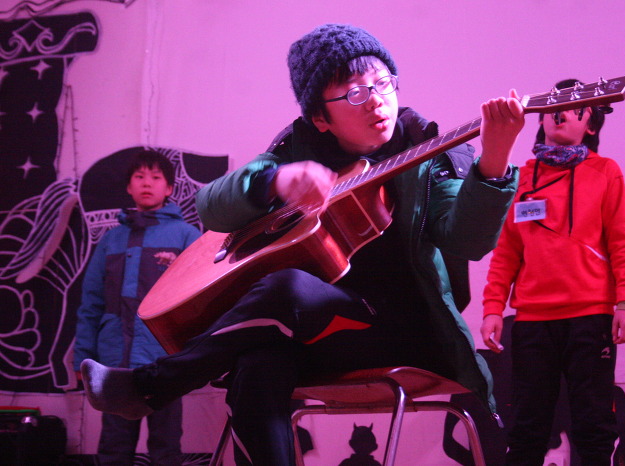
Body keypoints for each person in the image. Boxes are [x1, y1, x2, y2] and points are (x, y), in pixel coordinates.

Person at [81, 24, 525, 465]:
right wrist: (275, 180)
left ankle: (152, 384)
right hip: (319, 333)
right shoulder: (296, 147)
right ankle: (150, 388)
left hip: (406, 334)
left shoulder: (429, 149)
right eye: (354, 93)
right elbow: (211, 207)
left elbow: (467, 240)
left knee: (288, 288)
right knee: (257, 365)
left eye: (383, 83)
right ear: (320, 119)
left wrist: (494, 162)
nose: (376, 100)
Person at [480, 78, 625, 466]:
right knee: (527, 427)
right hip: (532, 323)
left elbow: (622, 243)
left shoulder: (605, 171)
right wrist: (492, 309)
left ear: (591, 125)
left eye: (575, 106)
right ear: (541, 118)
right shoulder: (520, 177)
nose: (561, 112)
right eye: (554, 105)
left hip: (591, 318)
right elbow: (506, 253)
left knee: (594, 426)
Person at [73, 150, 201, 465]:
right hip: (114, 360)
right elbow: (91, 302)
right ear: (129, 187)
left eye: (156, 178)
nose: (147, 183)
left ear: (169, 188)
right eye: (139, 177)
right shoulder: (111, 239)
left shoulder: (186, 236)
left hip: (165, 359)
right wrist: (82, 357)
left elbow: (201, 300)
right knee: (114, 447)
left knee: (166, 447)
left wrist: (194, 356)